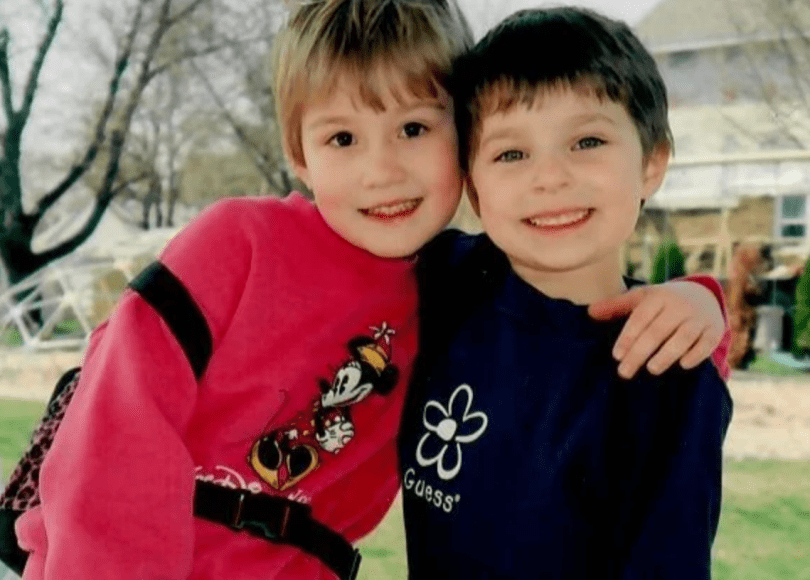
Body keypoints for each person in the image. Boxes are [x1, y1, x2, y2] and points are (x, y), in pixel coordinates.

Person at [15, 2, 727, 579]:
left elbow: (574, 294)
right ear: (299, 153)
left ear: (460, 147)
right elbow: (115, 427)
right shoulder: (246, 244)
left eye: (414, 127)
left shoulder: (448, 282)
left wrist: (702, 300)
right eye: (343, 139)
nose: (382, 170)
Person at [399, 7, 733, 579]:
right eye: (511, 153)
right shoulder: (447, 281)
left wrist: (704, 302)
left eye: (587, 141)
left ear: (651, 163)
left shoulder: (666, 376)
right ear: (473, 188)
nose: (549, 177)